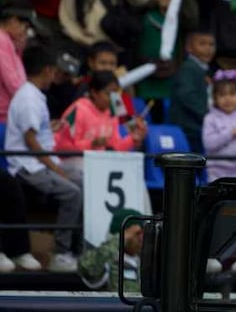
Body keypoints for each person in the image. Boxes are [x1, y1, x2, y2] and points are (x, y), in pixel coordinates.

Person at [5, 46, 83, 272]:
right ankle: (61, 253)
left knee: (82, 179)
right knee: (72, 192)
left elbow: (32, 131)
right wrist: (55, 169)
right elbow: (30, 141)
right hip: (27, 167)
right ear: (47, 70)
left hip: (41, 163)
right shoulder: (29, 98)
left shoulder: (33, 94)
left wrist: (50, 127)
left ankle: (77, 247)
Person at [54, 70, 147, 159]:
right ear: (94, 92)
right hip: (67, 162)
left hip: (96, 162)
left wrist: (133, 138)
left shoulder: (111, 112)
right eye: (108, 93)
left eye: (115, 93)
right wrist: (92, 144)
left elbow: (114, 149)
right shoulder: (77, 110)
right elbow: (63, 147)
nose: (113, 98)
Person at [168, 28, 215, 152]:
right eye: (202, 44)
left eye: (211, 44)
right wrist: (209, 116)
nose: (208, 49)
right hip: (189, 129)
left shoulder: (202, 69)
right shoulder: (188, 68)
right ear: (189, 47)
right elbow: (187, 95)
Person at [77, 207, 143, 292]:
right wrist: (120, 238)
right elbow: (86, 268)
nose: (141, 238)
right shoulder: (108, 259)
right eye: (137, 234)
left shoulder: (145, 260)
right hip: (115, 304)